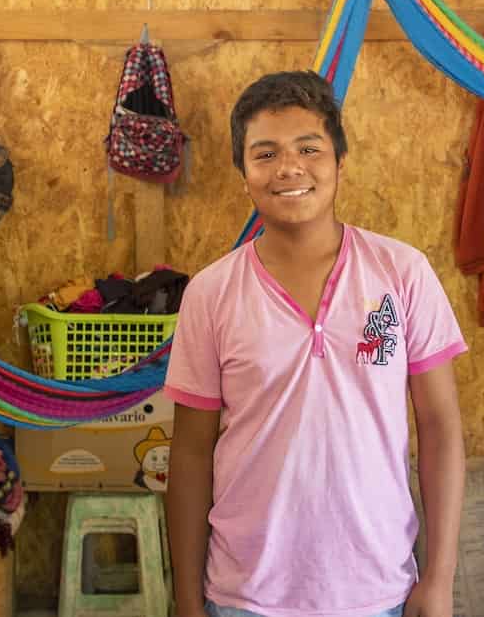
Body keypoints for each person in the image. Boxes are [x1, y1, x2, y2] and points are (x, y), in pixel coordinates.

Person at [165, 70, 467, 617]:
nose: (289, 168)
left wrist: (439, 579)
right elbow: (189, 453)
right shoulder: (211, 293)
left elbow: (441, 425)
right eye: (265, 154)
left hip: (378, 592)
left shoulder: (401, 273)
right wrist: (187, 601)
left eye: (309, 148)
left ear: (338, 163)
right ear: (243, 172)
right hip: (244, 596)